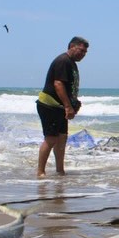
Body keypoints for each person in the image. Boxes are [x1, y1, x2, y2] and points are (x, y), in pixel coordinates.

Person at [36, 36, 89, 178]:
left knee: (62, 138)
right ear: (72, 46)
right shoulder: (63, 61)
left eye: (85, 53)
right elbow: (58, 84)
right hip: (49, 105)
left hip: (59, 107)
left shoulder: (71, 64)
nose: (83, 54)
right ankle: (40, 172)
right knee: (51, 139)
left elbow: (68, 87)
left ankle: (60, 171)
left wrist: (74, 102)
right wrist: (68, 106)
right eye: (81, 50)